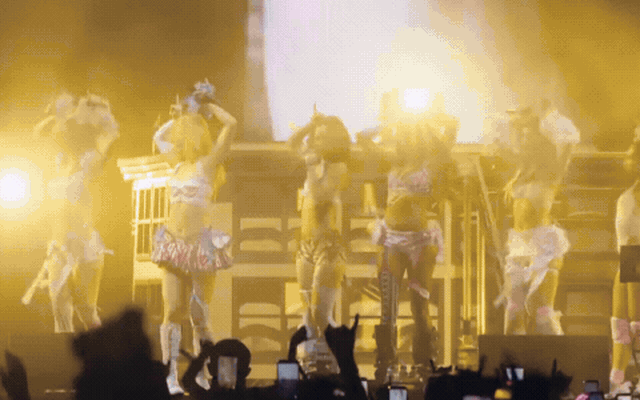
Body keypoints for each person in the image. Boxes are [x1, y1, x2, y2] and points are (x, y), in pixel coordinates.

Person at [357, 106, 458, 380]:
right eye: (402, 133)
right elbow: (363, 138)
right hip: (391, 238)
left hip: (420, 241)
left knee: (419, 307)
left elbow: (452, 128)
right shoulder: (391, 162)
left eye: (409, 133)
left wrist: (428, 119)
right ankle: (386, 362)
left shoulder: (431, 162)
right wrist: (388, 122)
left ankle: (425, 362)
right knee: (387, 306)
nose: (404, 138)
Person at [151, 79, 237, 395]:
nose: (184, 133)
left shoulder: (208, 164)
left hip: (199, 245)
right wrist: (178, 114)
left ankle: (202, 373)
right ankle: (171, 376)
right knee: (172, 310)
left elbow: (231, 124)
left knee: (199, 315)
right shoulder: (176, 165)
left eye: (189, 128)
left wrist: (206, 104)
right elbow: (158, 137)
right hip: (174, 244)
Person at [27, 91, 119, 333]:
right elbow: (38, 132)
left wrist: (102, 110)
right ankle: (65, 351)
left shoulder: (88, 160)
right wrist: (60, 114)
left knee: (85, 307)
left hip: (84, 242)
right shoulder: (54, 166)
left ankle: (99, 349)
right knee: (59, 304)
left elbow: (110, 134)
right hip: (58, 244)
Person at [495, 102, 579, 335]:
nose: (524, 140)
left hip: (543, 243)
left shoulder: (552, 171)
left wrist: (547, 115)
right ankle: (514, 361)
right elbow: (511, 144)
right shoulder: (519, 174)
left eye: (529, 136)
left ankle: (559, 359)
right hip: (519, 244)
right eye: (522, 136)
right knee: (513, 315)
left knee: (542, 314)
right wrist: (518, 123)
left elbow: (569, 141)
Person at [287, 111, 351, 375]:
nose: (318, 140)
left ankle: (341, 364)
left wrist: (312, 163)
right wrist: (309, 125)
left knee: (320, 314)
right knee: (308, 317)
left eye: (324, 136)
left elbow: (322, 194)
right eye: (317, 136)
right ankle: (314, 369)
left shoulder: (338, 167)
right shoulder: (313, 162)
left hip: (329, 248)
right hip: (306, 246)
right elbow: (292, 143)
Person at [608, 137, 640, 396]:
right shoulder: (626, 198)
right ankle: (616, 381)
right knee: (621, 328)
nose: (626, 160)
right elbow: (625, 243)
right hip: (629, 262)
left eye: (631, 155)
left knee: (636, 326)